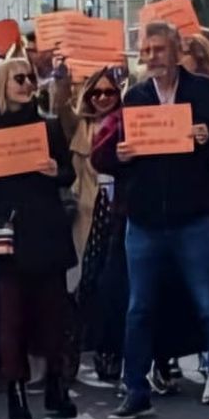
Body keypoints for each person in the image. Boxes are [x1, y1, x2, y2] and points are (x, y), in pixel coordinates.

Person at [92, 20, 209, 419]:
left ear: (176, 51)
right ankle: (136, 391)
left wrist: (206, 137)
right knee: (138, 309)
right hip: (143, 221)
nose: (152, 57)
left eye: (158, 49)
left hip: (191, 219)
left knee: (208, 306)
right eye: (146, 51)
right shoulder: (135, 96)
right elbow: (110, 155)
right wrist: (119, 156)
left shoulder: (203, 91)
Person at [0, 57, 79, 419]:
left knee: (53, 314)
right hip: (7, 231)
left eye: (30, 78)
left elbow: (68, 173)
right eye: (18, 78)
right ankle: (15, 391)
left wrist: (55, 171)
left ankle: (55, 385)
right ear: (2, 84)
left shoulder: (48, 126)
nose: (26, 83)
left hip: (46, 228)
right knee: (11, 317)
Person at [63, 67, 126, 380]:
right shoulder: (80, 126)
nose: (102, 98)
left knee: (112, 287)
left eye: (109, 92)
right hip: (87, 215)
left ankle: (108, 352)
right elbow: (60, 107)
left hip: (120, 214)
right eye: (96, 93)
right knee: (82, 285)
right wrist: (60, 78)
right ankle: (72, 353)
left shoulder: (129, 124)